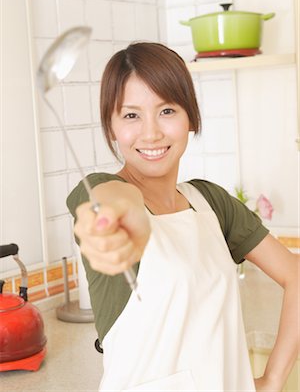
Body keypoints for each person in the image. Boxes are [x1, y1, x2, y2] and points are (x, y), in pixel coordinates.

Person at [67, 42, 299, 392]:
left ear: (190, 116)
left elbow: (295, 275)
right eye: (131, 115)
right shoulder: (102, 189)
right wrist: (107, 222)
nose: (151, 133)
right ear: (111, 126)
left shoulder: (211, 202)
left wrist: (274, 379)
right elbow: (111, 201)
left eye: (167, 110)